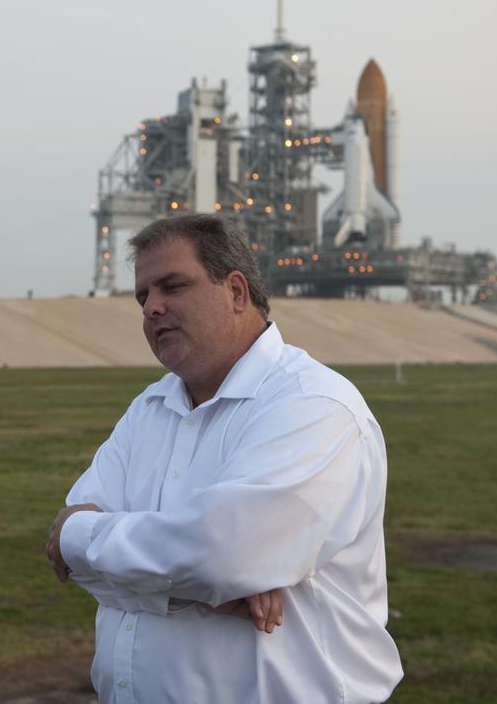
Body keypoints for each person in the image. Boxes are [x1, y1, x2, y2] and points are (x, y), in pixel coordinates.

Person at [45, 214, 402, 703]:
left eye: (172, 286)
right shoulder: (150, 408)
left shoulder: (314, 405)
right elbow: (76, 563)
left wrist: (80, 535)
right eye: (142, 296)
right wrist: (195, 583)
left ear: (236, 292)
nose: (152, 307)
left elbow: (223, 553)